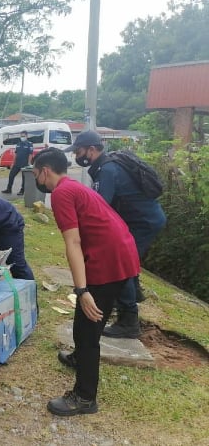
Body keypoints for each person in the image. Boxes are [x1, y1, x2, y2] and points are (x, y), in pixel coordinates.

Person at [32, 147, 139, 416]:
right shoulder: (74, 186)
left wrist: (82, 290)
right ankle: (80, 358)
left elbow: (73, 242)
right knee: (89, 320)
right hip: (120, 251)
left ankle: (84, 397)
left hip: (109, 259)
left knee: (87, 329)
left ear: (45, 171)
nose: (37, 179)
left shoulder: (61, 193)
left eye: (36, 174)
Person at [65, 131, 167, 338]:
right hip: (138, 220)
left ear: (91, 150)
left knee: (121, 266)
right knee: (127, 264)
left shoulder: (108, 170)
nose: (77, 155)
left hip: (143, 223)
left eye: (79, 151)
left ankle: (129, 320)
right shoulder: (107, 165)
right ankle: (129, 299)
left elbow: (99, 207)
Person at [2, 130, 33, 196]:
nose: (22, 137)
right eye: (21, 136)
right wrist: (13, 163)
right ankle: (9, 189)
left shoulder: (29, 144)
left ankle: (22, 191)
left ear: (27, 136)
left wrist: (29, 163)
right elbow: (15, 154)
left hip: (25, 164)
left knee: (24, 178)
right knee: (11, 175)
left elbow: (30, 154)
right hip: (17, 163)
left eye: (23, 136)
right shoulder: (18, 144)